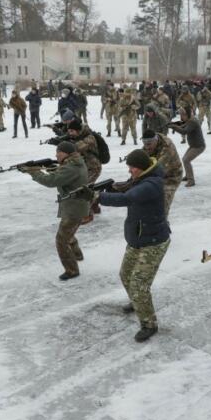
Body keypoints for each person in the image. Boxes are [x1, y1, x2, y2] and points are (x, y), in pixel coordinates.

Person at [98, 150, 171, 343]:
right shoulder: (141, 178)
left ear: (143, 166)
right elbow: (128, 190)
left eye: (133, 167)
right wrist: (111, 188)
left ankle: (149, 324)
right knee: (125, 274)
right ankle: (138, 302)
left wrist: (97, 197)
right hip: (138, 237)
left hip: (154, 241)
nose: (130, 170)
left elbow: (127, 199)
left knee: (139, 285)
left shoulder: (152, 184)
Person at [28, 141, 90, 280]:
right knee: (68, 233)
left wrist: (34, 172)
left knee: (61, 240)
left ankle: (72, 270)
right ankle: (78, 254)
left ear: (66, 153)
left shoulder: (72, 167)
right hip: (74, 206)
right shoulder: (74, 163)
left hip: (74, 209)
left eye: (58, 152)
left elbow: (51, 181)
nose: (56, 155)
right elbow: (61, 173)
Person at [141, 129, 183, 216]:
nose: (147, 147)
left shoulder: (167, 148)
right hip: (156, 174)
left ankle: (162, 225)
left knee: (162, 202)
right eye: (144, 144)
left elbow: (156, 169)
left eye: (149, 144)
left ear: (156, 140)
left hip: (171, 176)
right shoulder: (149, 143)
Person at [168, 107, 204, 187]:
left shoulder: (193, 121)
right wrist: (174, 124)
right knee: (185, 159)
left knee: (186, 160)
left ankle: (191, 180)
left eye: (182, 115)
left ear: (187, 114)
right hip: (194, 145)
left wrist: (174, 127)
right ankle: (188, 176)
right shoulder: (190, 120)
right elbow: (183, 125)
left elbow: (184, 131)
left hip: (198, 146)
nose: (181, 117)